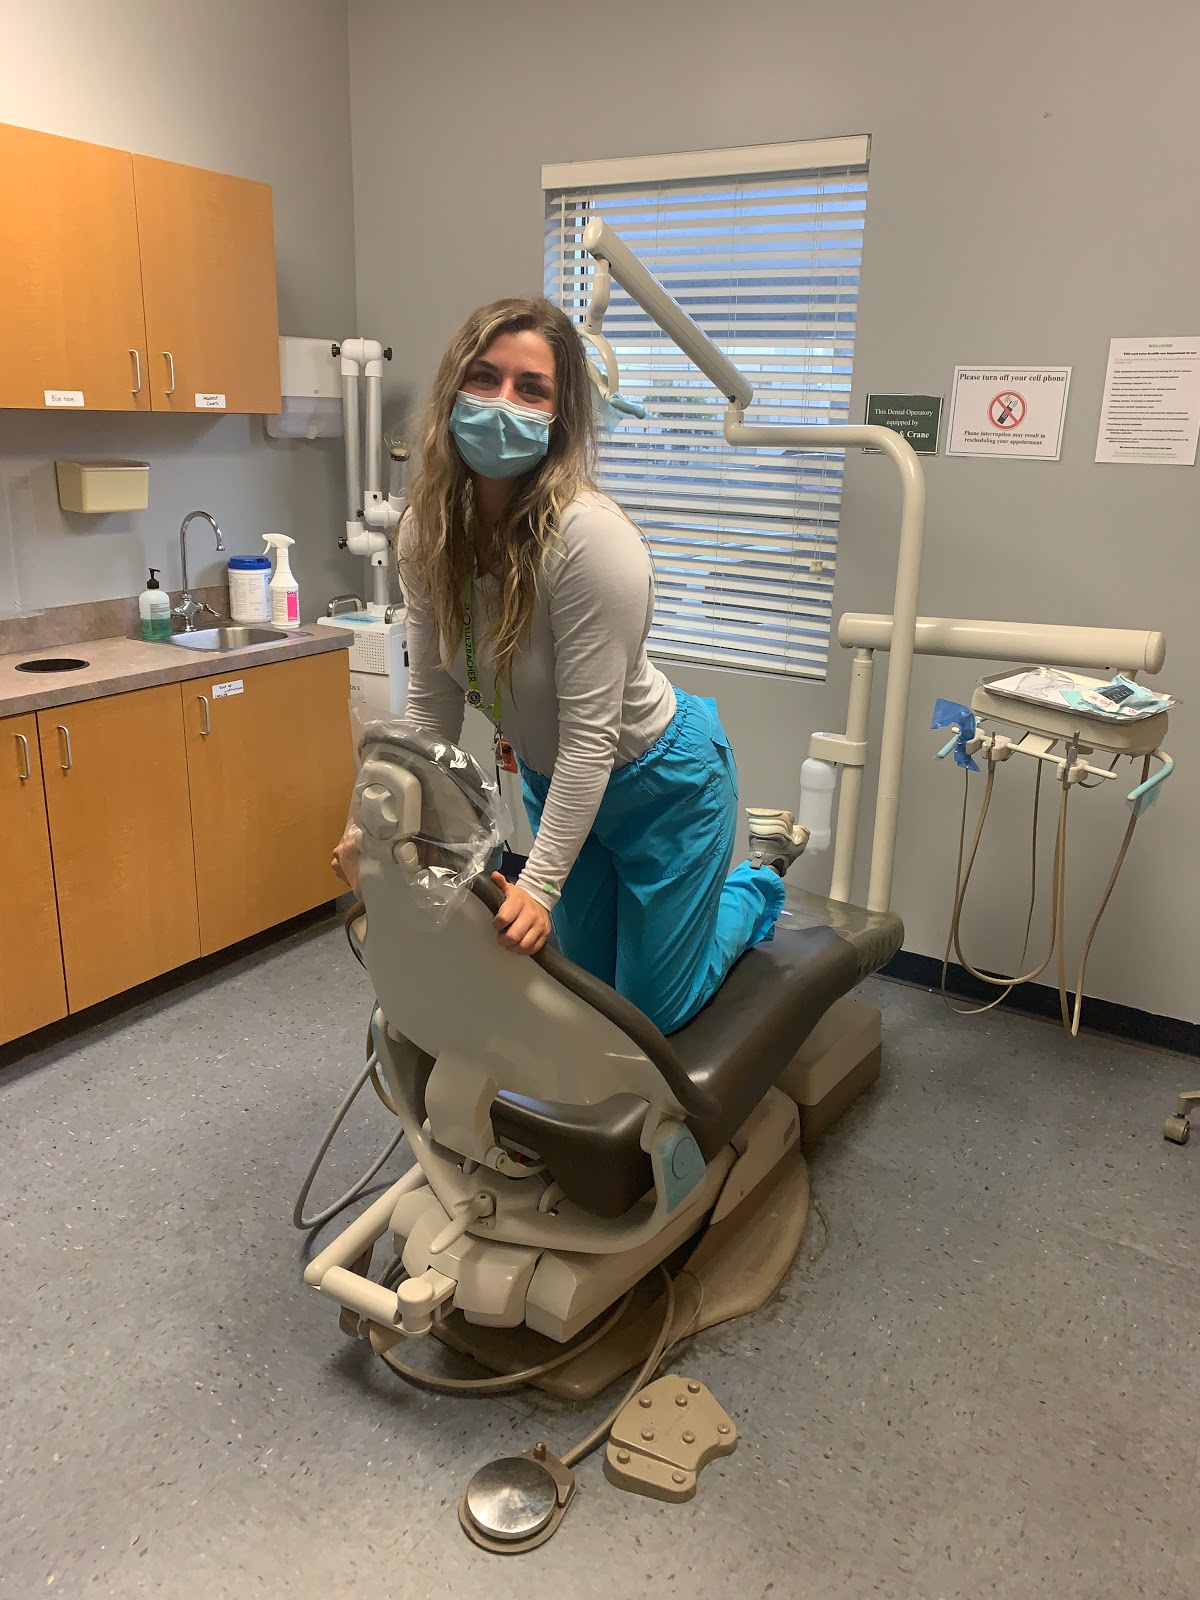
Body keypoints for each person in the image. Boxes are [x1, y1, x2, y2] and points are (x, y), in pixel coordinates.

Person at [335, 297, 807, 1034]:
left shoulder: (588, 541)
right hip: (558, 784)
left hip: (663, 785)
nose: (501, 403)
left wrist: (540, 884)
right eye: (484, 378)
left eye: (531, 389)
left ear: (560, 417)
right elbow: (432, 705)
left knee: (650, 1013)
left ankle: (757, 880)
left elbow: (590, 738)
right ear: (453, 388)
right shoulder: (428, 531)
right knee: (587, 991)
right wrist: (376, 823)